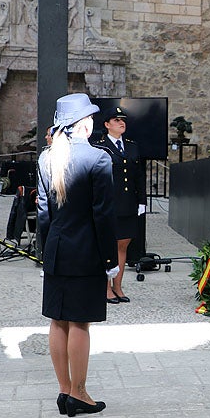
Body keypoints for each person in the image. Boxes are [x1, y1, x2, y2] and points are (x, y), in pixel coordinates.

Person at [37, 93, 119, 417]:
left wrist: (46, 255)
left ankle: (64, 390)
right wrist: (110, 261)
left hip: (56, 249)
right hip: (85, 251)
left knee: (58, 321)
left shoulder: (46, 158)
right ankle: (79, 393)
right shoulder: (98, 159)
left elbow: (44, 214)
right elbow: (103, 216)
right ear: (83, 124)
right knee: (80, 324)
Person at [92, 105, 146, 304]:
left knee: (123, 245)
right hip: (108, 204)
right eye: (116, 120)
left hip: (128, 204)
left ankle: (118, 286)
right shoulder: (99, 145)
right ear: (106, 125)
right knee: (106, 245)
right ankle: (105, 288)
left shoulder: (132, 146)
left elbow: (139, 176)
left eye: (123, 119)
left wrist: (142, 201)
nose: (121, 122)